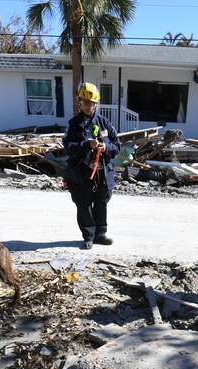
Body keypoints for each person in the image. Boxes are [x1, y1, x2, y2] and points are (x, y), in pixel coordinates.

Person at [63, 82, 121, 250]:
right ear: (79, 103)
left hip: (102, 173)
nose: (87, 107)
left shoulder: (105, 123)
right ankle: (88, 236)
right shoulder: (74, 124)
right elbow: (68, 148)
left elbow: (117, 145)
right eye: (84, 103)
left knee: (102, 203)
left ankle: (100, 235)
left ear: (96, 104)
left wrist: (106, 147)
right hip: (82, 173)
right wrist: (87, 145)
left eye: (91, 103)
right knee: (84, 205)